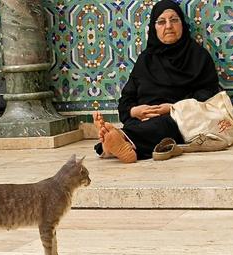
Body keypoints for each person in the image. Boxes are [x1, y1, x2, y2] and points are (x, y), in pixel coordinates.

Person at [93, 0, 220, 163]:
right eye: (161, 22)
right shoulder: (145, 59)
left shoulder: (198, 57)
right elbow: (126, 100)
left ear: (183, 24)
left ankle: (115, 142)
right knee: (137, 125)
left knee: (164, 125)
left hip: (178, 120)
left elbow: (207, 95)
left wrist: (173, 109)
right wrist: (135, 111)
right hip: (142, 120)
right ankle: (120, 142)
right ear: (154, 28)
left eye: (174, 20)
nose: (168, 26)